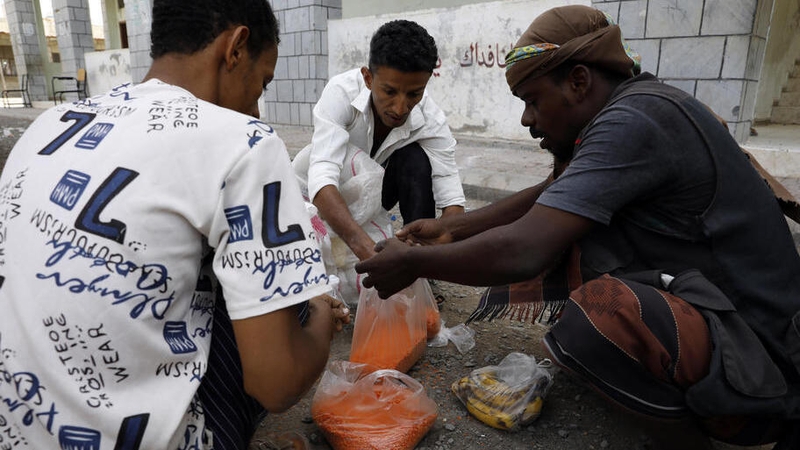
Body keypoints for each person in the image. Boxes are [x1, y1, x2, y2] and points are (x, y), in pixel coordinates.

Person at [355, 5, 800, 449]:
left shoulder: (634, 121)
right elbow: (556, 189)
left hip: (761, 357)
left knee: (595, 314)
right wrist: (451, 230)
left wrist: (416, 262)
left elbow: (524, 250)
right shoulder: (634, 106)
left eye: (532, 101)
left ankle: (723, 433)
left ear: (579, 82)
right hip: (735, 322)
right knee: (574, 233)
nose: (527, 120)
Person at [0, 0, 349, 448]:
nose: (257, 110)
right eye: (261, 84)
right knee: (287, 292)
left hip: (16, 430)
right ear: (235, 48)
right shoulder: (244, 142)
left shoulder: (52, 123)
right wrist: (320, 309)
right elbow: (277, 386)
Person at [292, 19, 465, 303]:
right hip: (319, 195)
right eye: (389, 92)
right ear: (368, 78)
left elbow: (452, 200)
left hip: (371, 198)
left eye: (414, 94)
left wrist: (432, 252)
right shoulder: (341, 94)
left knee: (416, 160)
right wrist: (369, 252)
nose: (400, 108)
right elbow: (322, 177)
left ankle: (418, 274)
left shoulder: (430, 118)